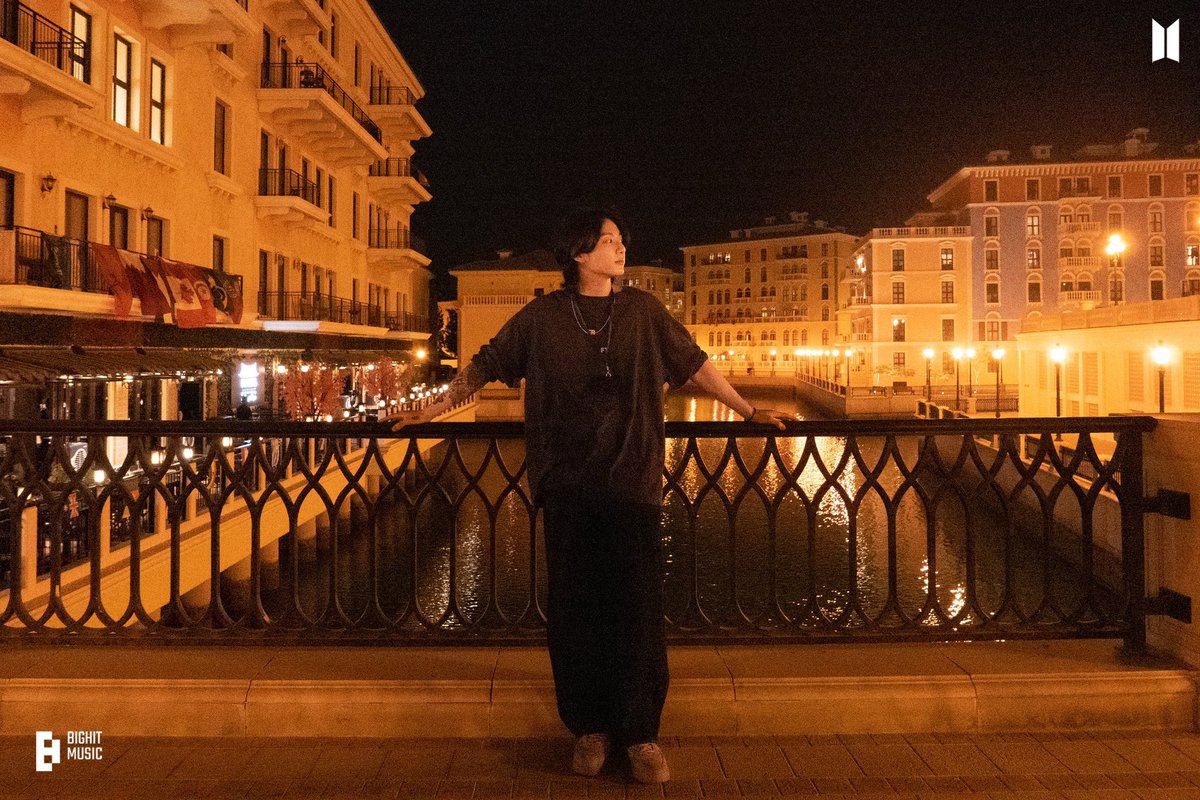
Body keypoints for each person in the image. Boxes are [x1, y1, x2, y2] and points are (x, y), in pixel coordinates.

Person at [394, 208, 789, 783]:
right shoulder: (543, 317)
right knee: (576, 612)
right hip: (567, 485)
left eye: (621, 240)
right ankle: (589, 728)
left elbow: (696, 366)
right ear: (580, 253)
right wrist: (432, 410)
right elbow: (484, 364)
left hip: (632, 485)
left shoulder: (643, 312)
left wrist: (749, 412)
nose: (621, 248)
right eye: (609, 241)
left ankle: (641, 735)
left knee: (637, 612)